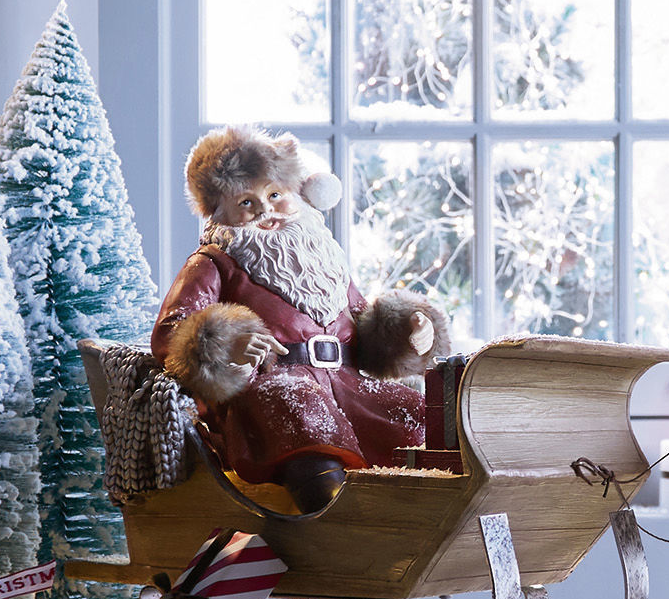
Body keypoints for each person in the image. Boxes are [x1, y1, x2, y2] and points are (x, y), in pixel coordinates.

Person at [153, 126, 450, 510]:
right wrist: (227, 343)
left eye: (275, 195)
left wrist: (407, 332)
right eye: (246, 201)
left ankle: (429, 505)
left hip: (347, 385)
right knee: (297, 410)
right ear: (219, 211)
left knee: (410, 411)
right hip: (273, 387)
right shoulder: (214, 262)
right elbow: (172, 330)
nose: (264, 210)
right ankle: (332, 510)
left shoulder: (322, 258)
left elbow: (362, 324)